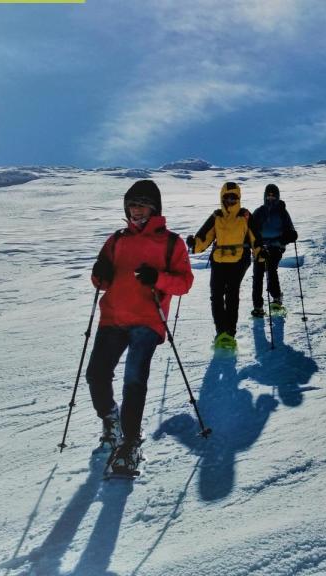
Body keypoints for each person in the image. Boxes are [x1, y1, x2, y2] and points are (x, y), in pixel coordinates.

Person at [87, 179, 193, 475]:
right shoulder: (116, 239)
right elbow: (102, 280)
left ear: (154, 208)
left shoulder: (171, 242)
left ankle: (130, 444)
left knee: (133, 380)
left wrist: (156, 278)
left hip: (147, 320)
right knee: (96, 374)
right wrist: (99, 274)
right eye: (132, 205)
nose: (136, 210)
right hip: (112, 318)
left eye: (142, 204)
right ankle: (111, 421)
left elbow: (184, 282)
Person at [187, 181, 257, 350]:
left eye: (234, 197)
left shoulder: (245, 215)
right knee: (216, 295)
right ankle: (221, 332)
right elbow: (205, 235)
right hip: (219, 261)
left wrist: (260, 252)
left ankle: (230, 333)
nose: (231, 200)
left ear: (239, 198)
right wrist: (195, 244)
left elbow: (256, 236)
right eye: (227, 197)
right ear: (222, 198)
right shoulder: (216, 216)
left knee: (231, 294)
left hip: (239, 261)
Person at [249, 183, 298, 318]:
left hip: (276, 246)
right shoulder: (259, 212)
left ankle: (276, 299)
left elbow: (290, 229)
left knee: (271, 268)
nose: (271, 198)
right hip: (260, 246)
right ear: (265, 196)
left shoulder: (282, 212)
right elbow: (250, 230)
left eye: (273, 195)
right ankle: (257, 306)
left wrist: (289, 236)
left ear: (277, 197)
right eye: (268, 195)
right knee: (258, 274)